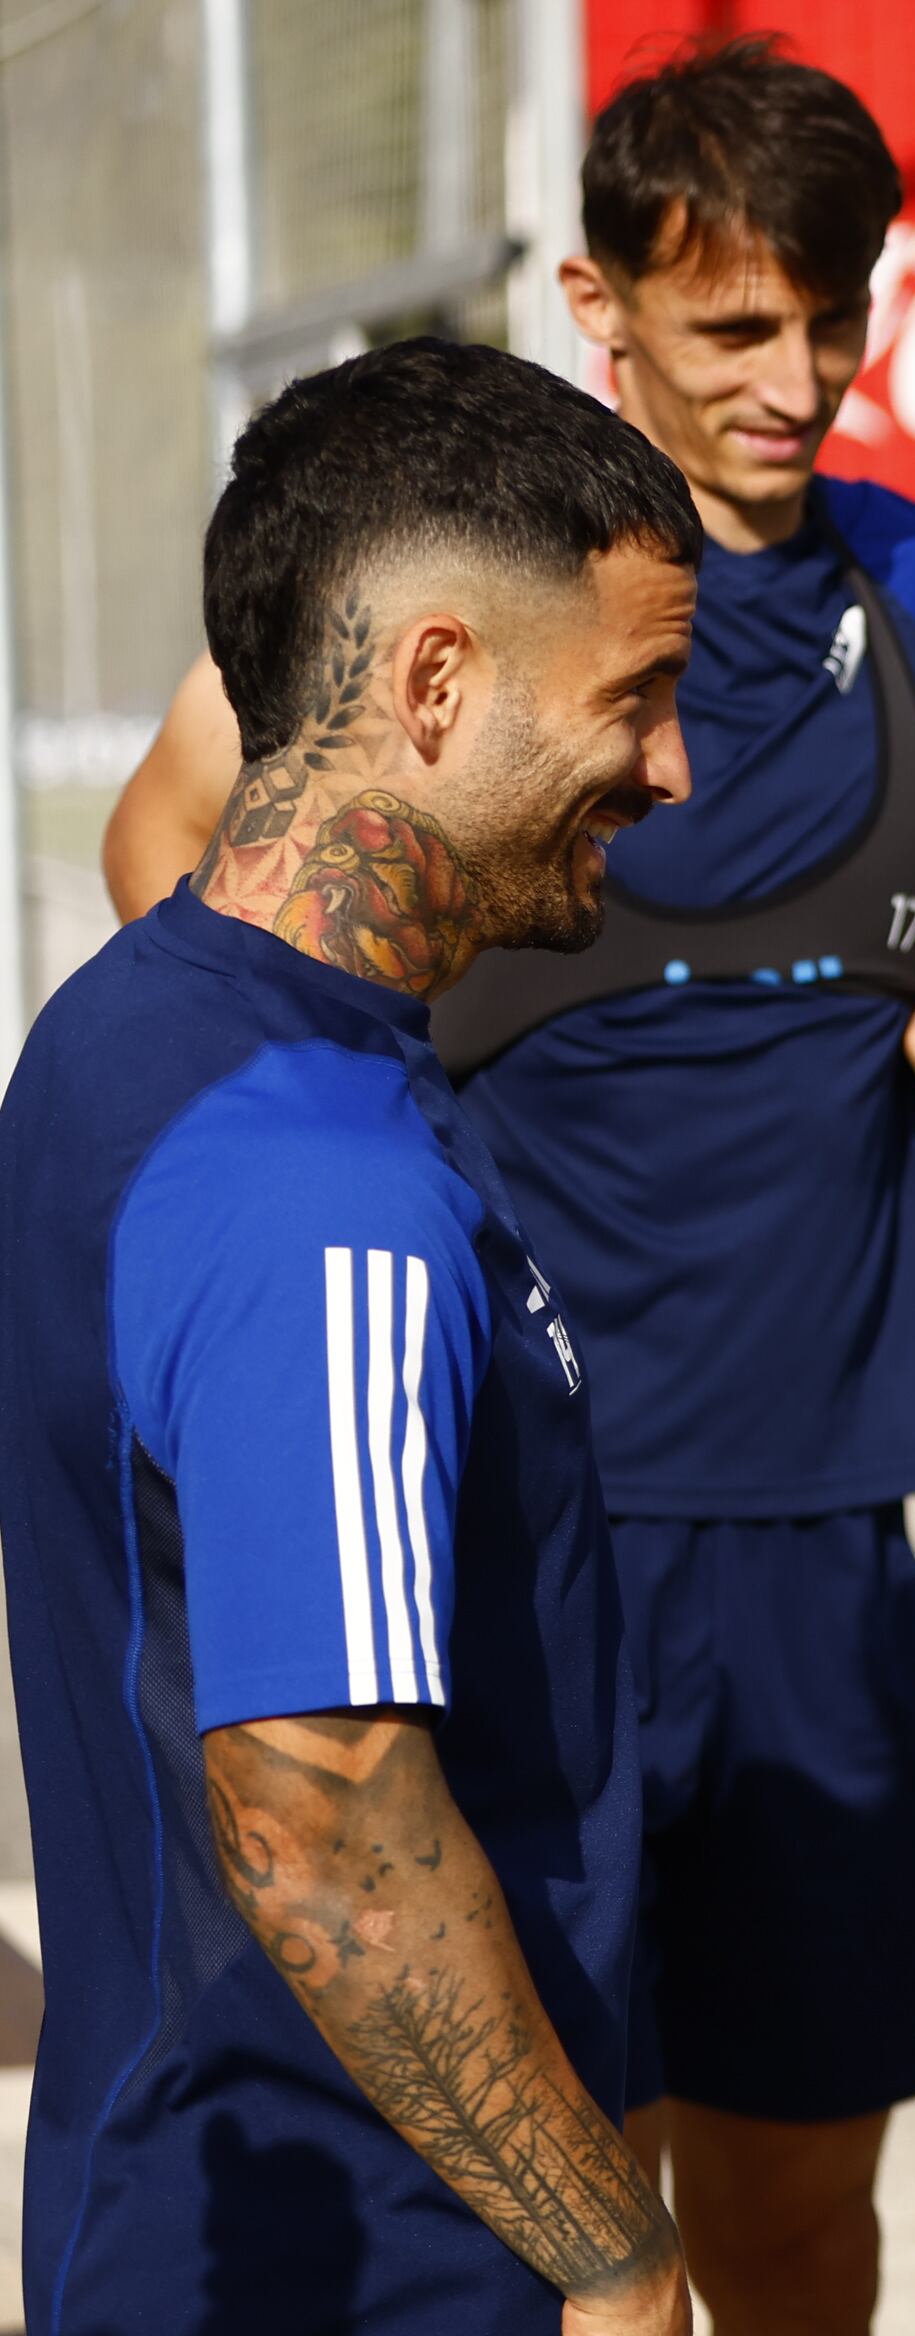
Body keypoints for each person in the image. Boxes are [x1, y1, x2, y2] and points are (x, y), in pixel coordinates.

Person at [99, 39, 915, 2335]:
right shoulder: (477, 582)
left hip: (819, 1520)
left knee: (804, 2210)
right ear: (596, 302)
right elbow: (173, 848)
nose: (801, 378)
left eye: (840, 318)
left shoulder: (909, 572)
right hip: (528, 1526)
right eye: (739, 328)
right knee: (551, 2199)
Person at [0, 338, 700, 2331]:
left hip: (207, 2205)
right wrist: (618, 2252)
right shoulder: (323, 1187)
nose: (670, 770)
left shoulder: (128, 1025)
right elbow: (320, 1819)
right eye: (636, 698)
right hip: (370, 2263)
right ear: (437, 683)